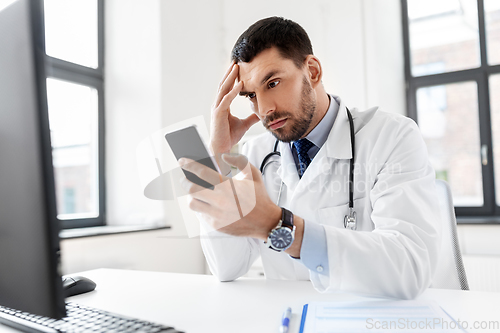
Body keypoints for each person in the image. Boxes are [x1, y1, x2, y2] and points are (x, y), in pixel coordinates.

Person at [178, 16, 441, 299]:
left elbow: (410, 267)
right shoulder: (256, 154)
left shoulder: (392, 136)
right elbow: (226, 267)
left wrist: (278, 226)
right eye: (251, 95)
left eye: (273, 83)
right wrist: (218, 155)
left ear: (313, 71)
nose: (264, 109)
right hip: (284, 319)